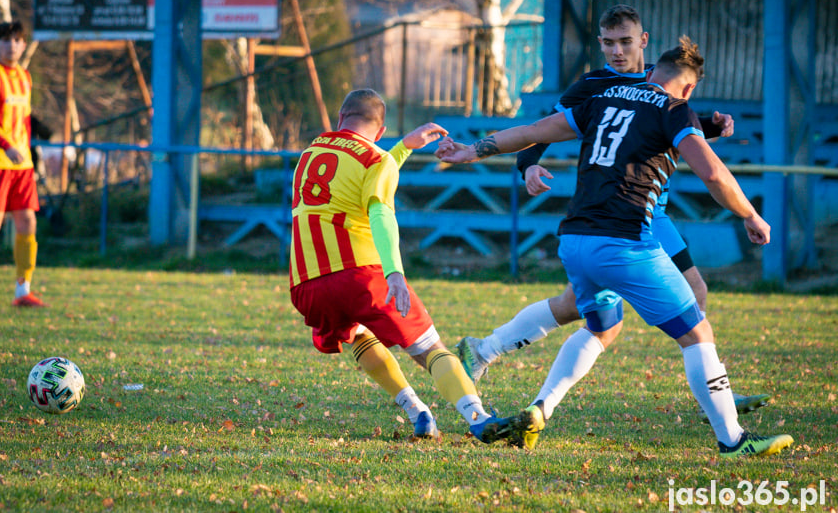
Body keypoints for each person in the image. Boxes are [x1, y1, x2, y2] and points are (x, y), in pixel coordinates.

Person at [436, 38, 793, 457]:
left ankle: (539, 407)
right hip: (625, 242)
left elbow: (534, 131)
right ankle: (733, 440)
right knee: (697, 332)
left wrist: (469, 151)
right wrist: (751, 214)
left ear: (650, 71)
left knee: (602, 326)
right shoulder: (675, 109)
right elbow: (712, 173)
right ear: (689, 88)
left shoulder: (604, 97)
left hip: (574, 240)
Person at [290, 88, 524, 444]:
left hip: (307, 283)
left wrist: (405, 147)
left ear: (340, 118)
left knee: (358, 336)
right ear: (380, 131)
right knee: (430, 348)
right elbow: (380, 210)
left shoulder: (312, 151)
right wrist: (394, 273)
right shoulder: (376, 159)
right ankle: (478, 418)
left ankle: (419, 412)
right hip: (359, 274)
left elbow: (359, 174)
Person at [0, 21, 46, 307]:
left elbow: (25, 121)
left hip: (22, 165)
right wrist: (6, 146)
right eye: (5, 40)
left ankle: (23, 290)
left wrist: (30, 155)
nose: (11, 45)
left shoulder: (24, 77)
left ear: (24, 45)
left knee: (28, 221)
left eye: (17, 40)